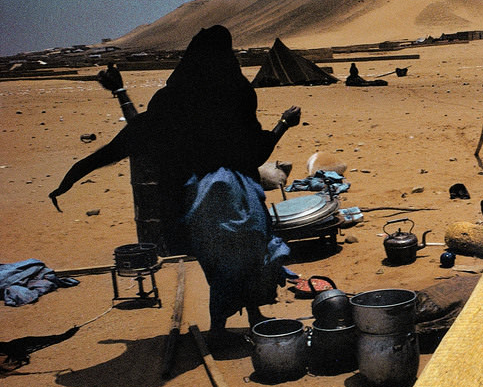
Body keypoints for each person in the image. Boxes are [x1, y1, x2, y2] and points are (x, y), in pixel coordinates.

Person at [49, 26, 302, 346]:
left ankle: (231, 324)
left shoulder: (173, 97)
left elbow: (142, 132)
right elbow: (257, 151)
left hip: (198, 200)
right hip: (239, 199)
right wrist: (283, 123)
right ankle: (233, 326)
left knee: (220, 262)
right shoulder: (238, 93)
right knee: (251, 254)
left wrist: (120, 92)